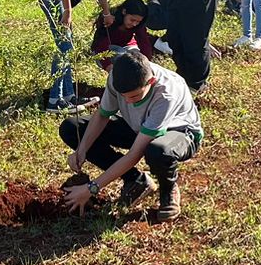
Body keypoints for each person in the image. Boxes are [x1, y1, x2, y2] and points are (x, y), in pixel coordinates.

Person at [59, 51, 202, 223]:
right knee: (71, 128)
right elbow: (102, 115)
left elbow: (135, 153)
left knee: (158, 151)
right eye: (123, 96)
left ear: (151, 82)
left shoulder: (166, 94)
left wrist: (92, 188)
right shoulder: (118, 76)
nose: (127, 102)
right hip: (138, 125)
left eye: (134, 96)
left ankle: (168, 190)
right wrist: (82, 150)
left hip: (179, 133)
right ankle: (135, 181)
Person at [92, 0, 157, 70]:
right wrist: (108, 66)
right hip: (103, 51)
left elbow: (144, 42)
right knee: (122, 57)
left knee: (137, 57)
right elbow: (101, 46)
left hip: (125, 47)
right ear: (124, 11)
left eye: (138, 22)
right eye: (132, 20)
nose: (134, 24)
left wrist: (146, 63)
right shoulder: (110, 21)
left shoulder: (138, 25)